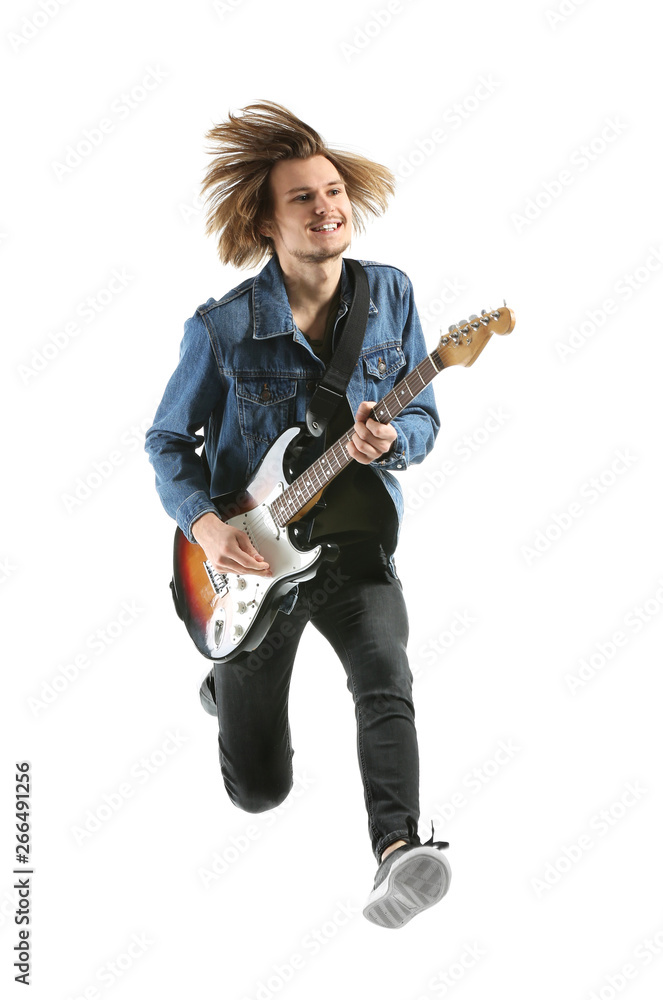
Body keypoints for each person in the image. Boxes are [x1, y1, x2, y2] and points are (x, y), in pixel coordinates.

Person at [144, 101, 451, 928]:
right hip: (253, 566)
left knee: (386, 677)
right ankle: (225, 686)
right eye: (302, 199)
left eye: (333, 191)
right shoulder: (223, 327)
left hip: (354, 550)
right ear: (266, 221)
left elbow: (423, 423)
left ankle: (398, 853)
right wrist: (209, 529)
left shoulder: (389, 294)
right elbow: (168, 441)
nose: (327, 208)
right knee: (259, 790)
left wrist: (388, 440)